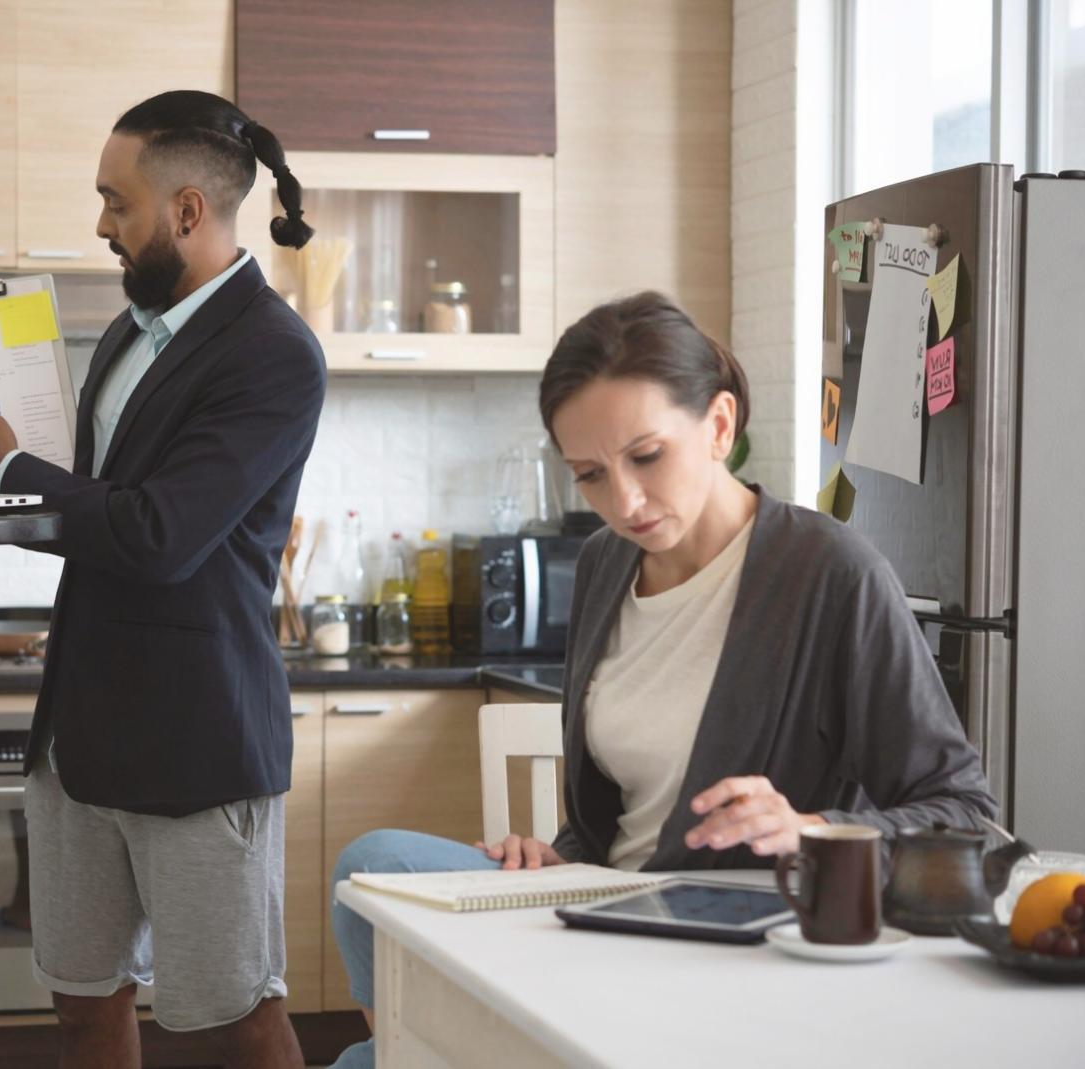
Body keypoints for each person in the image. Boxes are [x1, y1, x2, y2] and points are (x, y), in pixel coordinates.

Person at [325, 291, 998, 1068]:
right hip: (600, 907)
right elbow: (616, 817)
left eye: (646, 456)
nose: (625, 502)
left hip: (721, 939)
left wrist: (812, 830)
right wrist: (553, 854)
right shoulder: (608, 564)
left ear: (718, 425)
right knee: (371, 864)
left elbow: (966, 817)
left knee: (361, 1065)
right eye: (590, 475)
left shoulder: (830, 574)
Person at [0, 90, 326, 1069]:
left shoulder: (273, 354)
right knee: (82, 1004)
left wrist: (5, 465)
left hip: (198, 746)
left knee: (229, 1019)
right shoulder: (130, 334)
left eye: (114, 202)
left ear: (185, 212)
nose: (99, 224)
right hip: (79, 734)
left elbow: (160, 535)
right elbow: (85, 519)